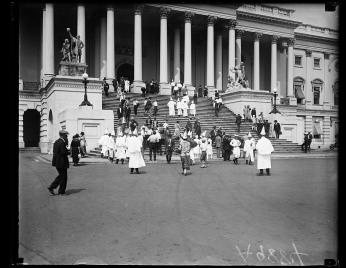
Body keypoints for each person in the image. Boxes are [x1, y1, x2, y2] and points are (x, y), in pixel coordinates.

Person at [48, 129, 70, 195]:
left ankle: (52, 187)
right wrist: (69, 151)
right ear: (63, 136)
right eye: (66, 135)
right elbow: (63, 152)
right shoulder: (62, 142)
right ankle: (60, 191)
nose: (67, 137)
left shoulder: (56, 141)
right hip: (62, 162)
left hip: (57, 162)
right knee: (64, 177)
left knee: (61, 176)